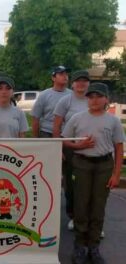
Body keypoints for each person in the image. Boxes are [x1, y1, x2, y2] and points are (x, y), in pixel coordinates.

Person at [62, 83, 125, 264]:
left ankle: (94, 247)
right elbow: (65, 141)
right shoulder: (77, 118)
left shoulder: (112, 121)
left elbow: (119, 147)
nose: (94, 100)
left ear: (106, 99)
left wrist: (116, 174)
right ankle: (79, 247)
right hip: (82, 164)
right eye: (91, 97)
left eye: (98, 96)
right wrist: (78, 146)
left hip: (103, 166)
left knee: (98, 208)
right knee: (81, 207)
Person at [52, 70, 90, 232]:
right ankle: (73, 216)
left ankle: (91, 220)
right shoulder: (65, 101)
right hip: (70, 149)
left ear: (89, 83)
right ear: (72, 84)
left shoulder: (94, 100)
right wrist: (58, 147)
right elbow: (56, 126)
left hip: (91, 148)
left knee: (89, 185)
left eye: (84, 81)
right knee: (71, 184)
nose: (81, 84)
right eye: (78, 81)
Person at [31, 65, 72, 138]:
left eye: (66, 74)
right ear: (53, 78)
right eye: (61, 74)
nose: (65, 76)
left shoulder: (72, 95)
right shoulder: (44, 95)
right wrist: (35, 139)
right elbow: (35, 118)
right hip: (47, 133)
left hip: (67, 133)